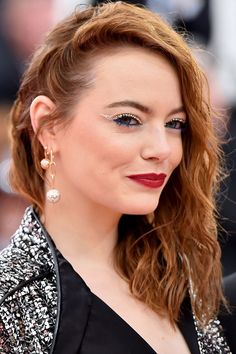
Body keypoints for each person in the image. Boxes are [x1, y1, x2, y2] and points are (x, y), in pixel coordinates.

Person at [0, 2, 232, 353]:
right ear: (48, 125)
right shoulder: (11, 306)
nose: (162, 149)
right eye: (127, 119)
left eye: (174, 124)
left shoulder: (177, 276)